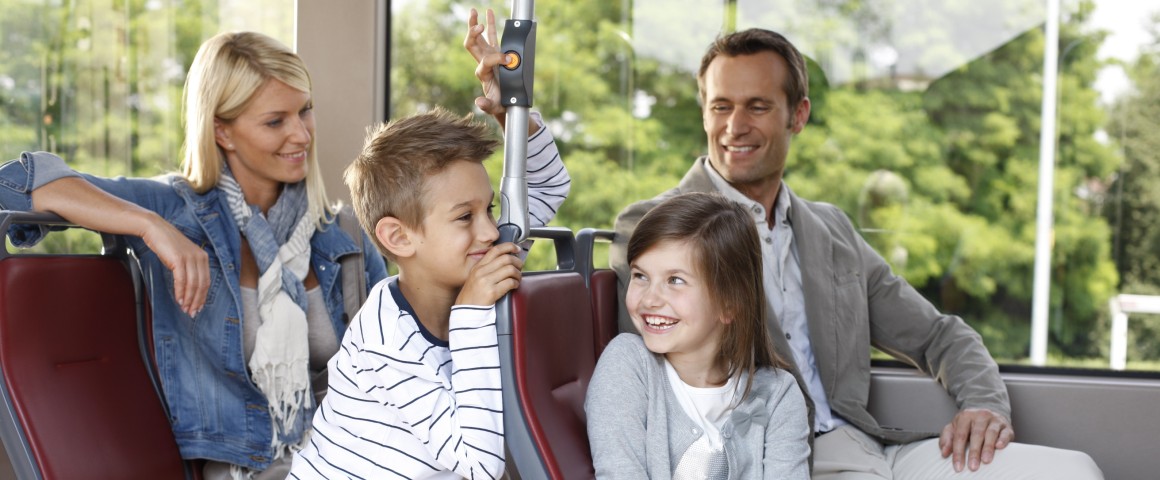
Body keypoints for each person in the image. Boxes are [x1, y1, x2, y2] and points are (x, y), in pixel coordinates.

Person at [0, 30, 564, 480]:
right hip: (238, 461)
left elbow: (516, 212)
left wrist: (512, 117)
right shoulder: (174, 211)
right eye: (275, 120)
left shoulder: (342, 232)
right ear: (222, 130)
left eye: (306, 111)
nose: (301, 135)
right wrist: (148, 226)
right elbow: (16, 181)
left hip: (352, 450)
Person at [608, 29, 1104, 479]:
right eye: (720, 106)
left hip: (872, 444)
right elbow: (663, 388)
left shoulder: (833, 230)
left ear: (797, 115)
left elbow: (938, 335)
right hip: (767, 459)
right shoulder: (652, 227)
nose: (735, 126)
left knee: (1073, 471)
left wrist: (985, 405)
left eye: (757, 106)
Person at [287, 105, 570, 478]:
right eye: (465, 216)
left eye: (490, 209)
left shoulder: (478, 263)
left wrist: (511, 113)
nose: (489, 231)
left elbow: (548, 186)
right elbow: (480, 466)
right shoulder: (386, 340)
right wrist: (472, 314)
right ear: (399, 237)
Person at [587, 192, 810, 479]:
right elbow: (619, 471)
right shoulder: (628, 365)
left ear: (729, 304)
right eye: (640, 276)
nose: (650, 299)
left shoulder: (778, 395)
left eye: (675, 280)